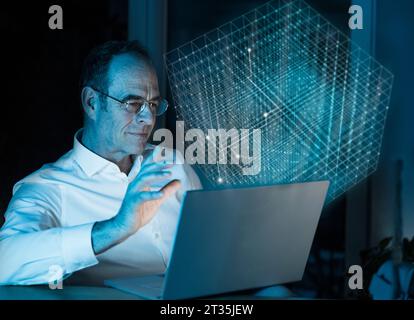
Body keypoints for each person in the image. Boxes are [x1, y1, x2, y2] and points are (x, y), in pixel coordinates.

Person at [0, 41, 201, 286]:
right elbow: (5, 261)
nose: (148, 118)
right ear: (92, 103)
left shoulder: (173, 163)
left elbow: (212, 246)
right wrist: (116, 228)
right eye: (133, 104)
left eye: (152, 104)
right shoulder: (48, 188)